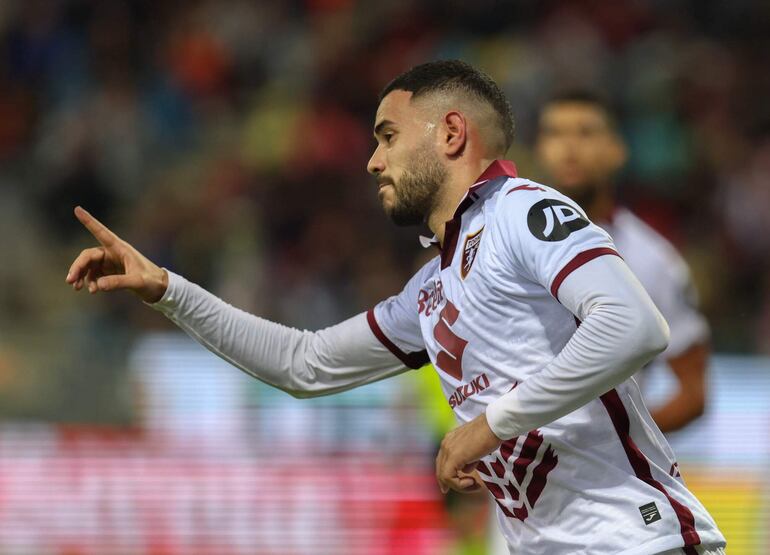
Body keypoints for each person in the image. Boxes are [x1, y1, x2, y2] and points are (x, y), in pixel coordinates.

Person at [66, 60, 726, 554]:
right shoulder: (433, 285)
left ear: (451, 133)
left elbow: (634, 326)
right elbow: (305, 362)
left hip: (641, 540)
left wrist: (486, 425)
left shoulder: (524, 209)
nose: (373, 160)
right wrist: (168, 290)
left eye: (386, 135)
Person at [536, 91, 710, 433]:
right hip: (512, 471)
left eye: (585, 132)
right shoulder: (500, 241)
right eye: (555, 133)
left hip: (598, 479)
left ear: (617, 151)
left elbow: (693, 393)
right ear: (539, 149)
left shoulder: (653, 260)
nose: (569, 147)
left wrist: (615, 443)